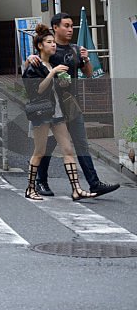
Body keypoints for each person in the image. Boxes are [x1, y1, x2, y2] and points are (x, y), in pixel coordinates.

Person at [24, 12, 118, 197]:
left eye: (71, 25)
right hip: (49, 107)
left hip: (71, 104)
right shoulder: (49, 48)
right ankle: (41, 182)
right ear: (55, 28)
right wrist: (29, 58)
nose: (70, 29)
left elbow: (88, 73)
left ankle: (93, 183)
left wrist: (86, 59)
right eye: (66, 25)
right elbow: (36, 66)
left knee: (80, 144)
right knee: (46, 147)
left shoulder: (75, 49)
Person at [22, 24, 95, 201]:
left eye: (54, 42)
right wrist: (52, 73)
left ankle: (77, 189)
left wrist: (61, 81)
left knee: (68, 149)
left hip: (57, 112)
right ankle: (30, 188)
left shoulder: (53, 63)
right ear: (40, 46)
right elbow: (37, 91)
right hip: (41, 113)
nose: (54, 45)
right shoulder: (35, 66)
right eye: (49, 42)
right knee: (39, 151)